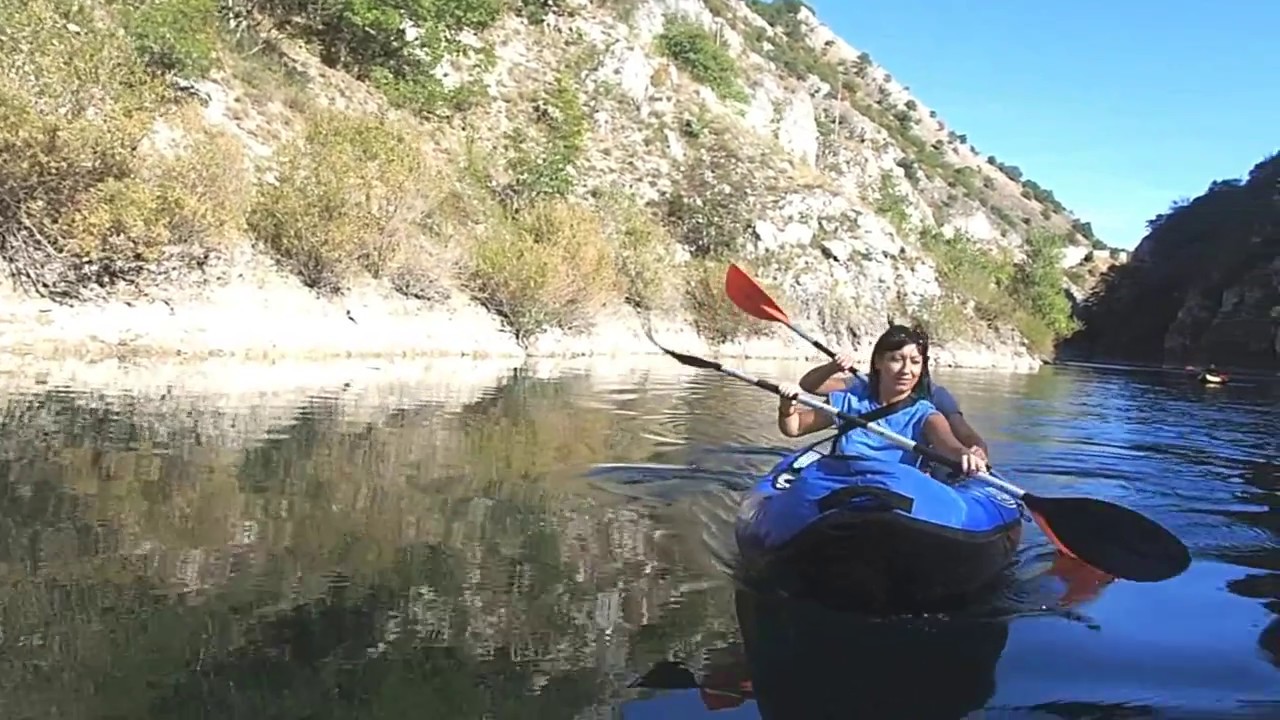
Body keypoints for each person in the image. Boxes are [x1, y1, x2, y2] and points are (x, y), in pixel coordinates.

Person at [776, 324, 989, 476]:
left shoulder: (926, 414)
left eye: (915, 362)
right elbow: (794, 428)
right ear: (878, 362)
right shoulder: (851, 399)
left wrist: (965, 454)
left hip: (892, 493)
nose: (906, 370)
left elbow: (950, 447)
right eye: (896, 360)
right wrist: (787, 406)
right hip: (841, 485)